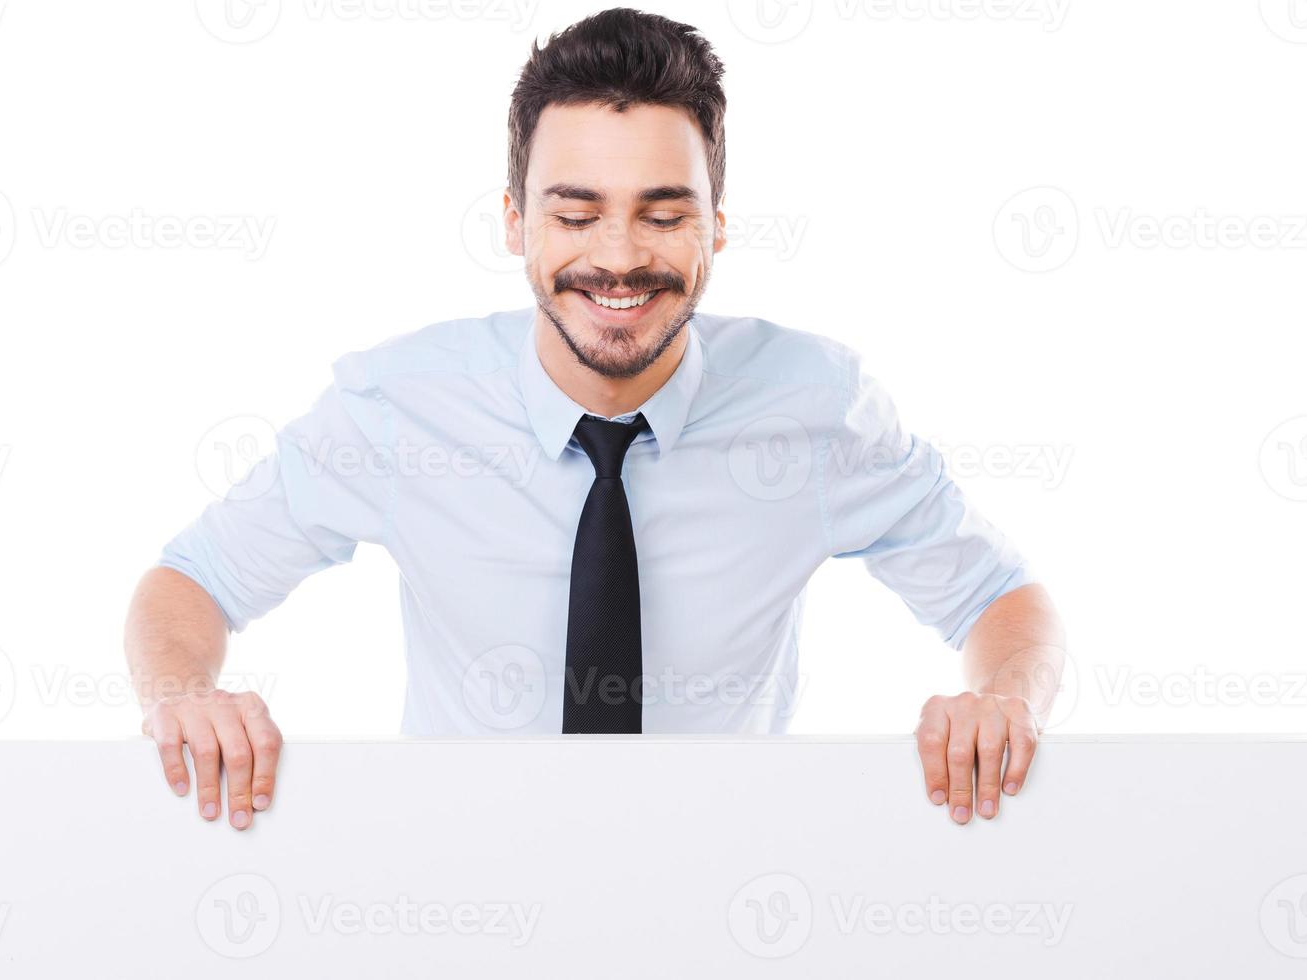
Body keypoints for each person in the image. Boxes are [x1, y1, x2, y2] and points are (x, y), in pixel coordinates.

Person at [123, 7, 1066, 833]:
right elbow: (191, 581)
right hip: (458, 904)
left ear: (717, 228)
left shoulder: (817, 411)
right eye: (575, 215)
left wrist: (998, 699)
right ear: (513, 222)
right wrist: (185, 695)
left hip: (728, 899)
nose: (618, 258)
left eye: (662, 215)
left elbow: (1003, 600)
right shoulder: (397, 408)